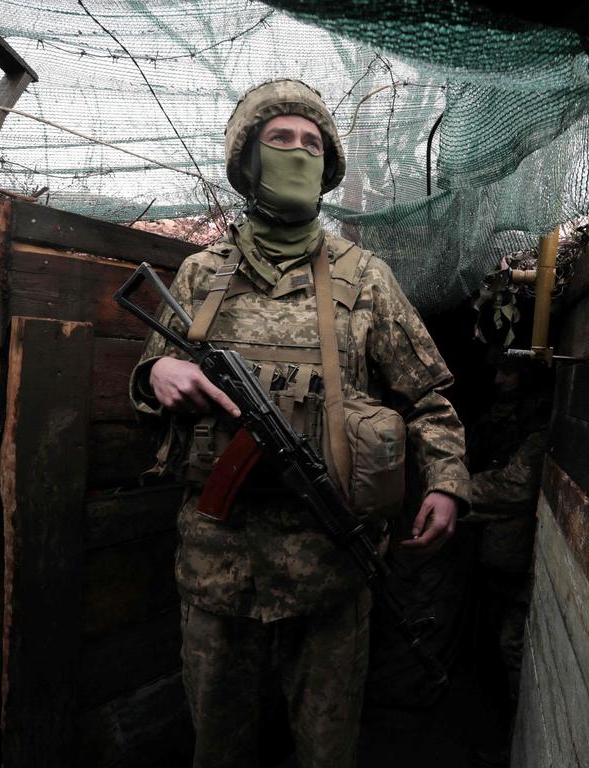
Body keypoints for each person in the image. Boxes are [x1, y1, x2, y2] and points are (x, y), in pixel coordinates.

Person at [129, 79, 470, 768]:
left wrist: (447, 482)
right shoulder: (200, 275)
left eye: (311, 144)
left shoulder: (365, 277)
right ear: (249, 160)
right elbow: (144, 387)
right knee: (218, 749)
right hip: (218, 567)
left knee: (327, 751)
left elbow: (430, 397)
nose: (296, 152)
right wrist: (156, 376)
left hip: (331, 568)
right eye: (279, 140)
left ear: (327, 166)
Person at [463, 354, 551, 768]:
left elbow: (516, 489)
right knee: (498, 647)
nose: (498, 380)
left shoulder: (538, 421)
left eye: (509, 372)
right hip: (500, 556)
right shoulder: (500, 417)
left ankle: (515, 751)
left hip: (523, 560)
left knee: (514, 649)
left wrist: (452, 490)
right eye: (496, 370)